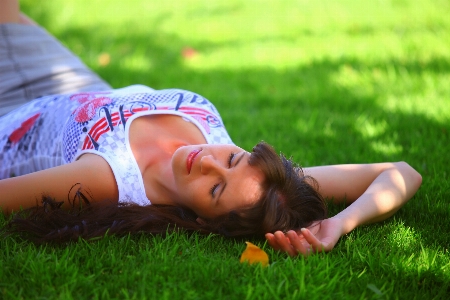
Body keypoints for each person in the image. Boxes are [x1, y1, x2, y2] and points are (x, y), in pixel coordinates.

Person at [0, 1, 422, 256]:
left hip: (12, 106)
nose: (209, 163)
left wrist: (334, 233)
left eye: (216, 189)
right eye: (234, 158)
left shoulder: (109, 178)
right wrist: (340, 222)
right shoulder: (260, 184)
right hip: (75, 83)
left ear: (202, 221)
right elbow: (402, 172)